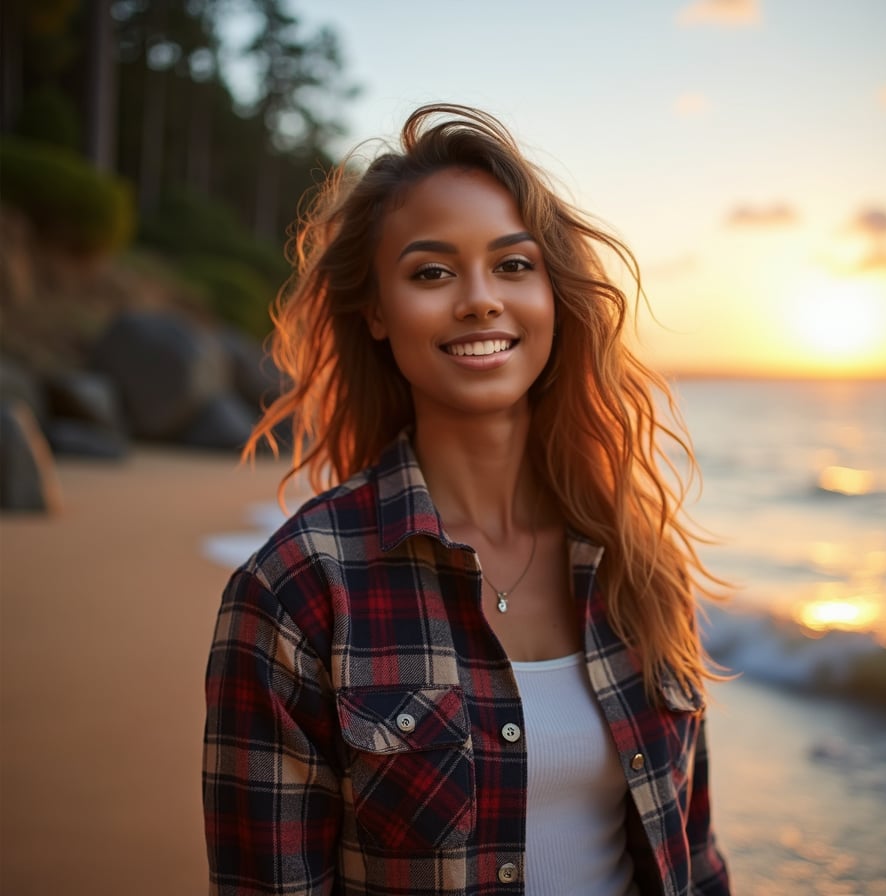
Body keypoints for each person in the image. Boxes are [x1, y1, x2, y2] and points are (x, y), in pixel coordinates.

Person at [203, 103, 732, 896]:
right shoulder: (296, 593)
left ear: (555, 294)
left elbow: (696, 860)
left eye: (514, 265)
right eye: (432, 272)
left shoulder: (637, 563)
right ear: (377, 312)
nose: (481, 299)